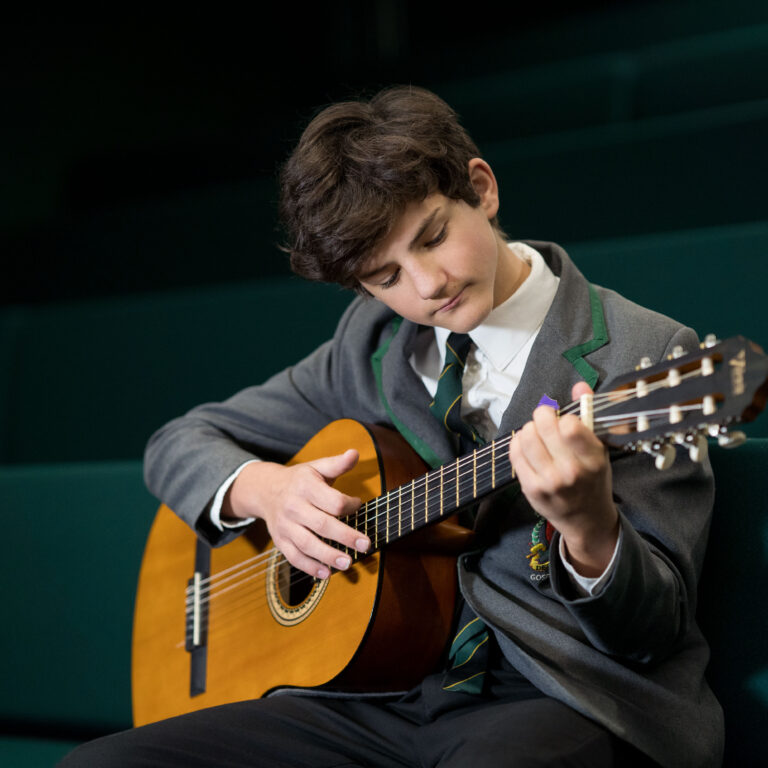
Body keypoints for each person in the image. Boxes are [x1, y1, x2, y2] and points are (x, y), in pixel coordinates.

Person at [59, 86, 723, 767]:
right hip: (375, 696)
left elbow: (651, 633)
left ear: (482, 189)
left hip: (559, 697)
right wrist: (265, 492)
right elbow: (178, 443)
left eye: (433, 236)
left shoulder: (647, 355)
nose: (427, 285)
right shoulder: (374, 342)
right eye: (385, 275)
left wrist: (589, 529)